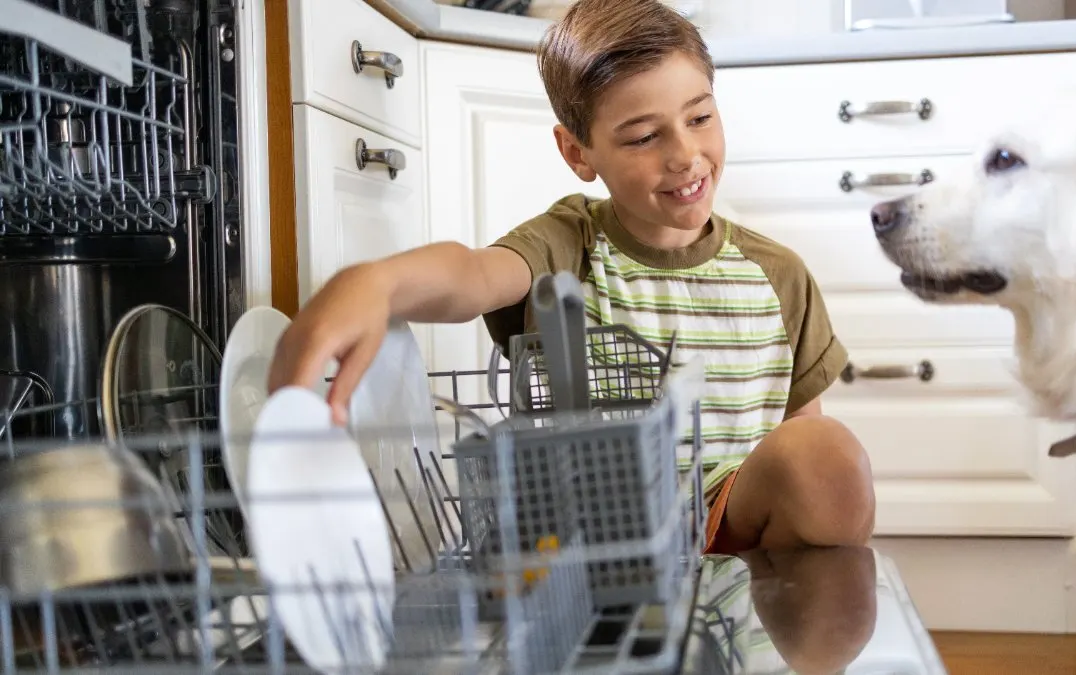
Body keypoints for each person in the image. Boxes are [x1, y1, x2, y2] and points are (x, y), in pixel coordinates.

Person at [267, 0, 875, 554]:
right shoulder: (570, 243)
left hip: (725, 528)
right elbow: (473, 274)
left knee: (828, 461)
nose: (685, 154)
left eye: (700, 117)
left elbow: (801, 452)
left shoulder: (778, 276)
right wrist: (377, 283)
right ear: (578, 153)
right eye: (643, 136)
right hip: (591, 543)